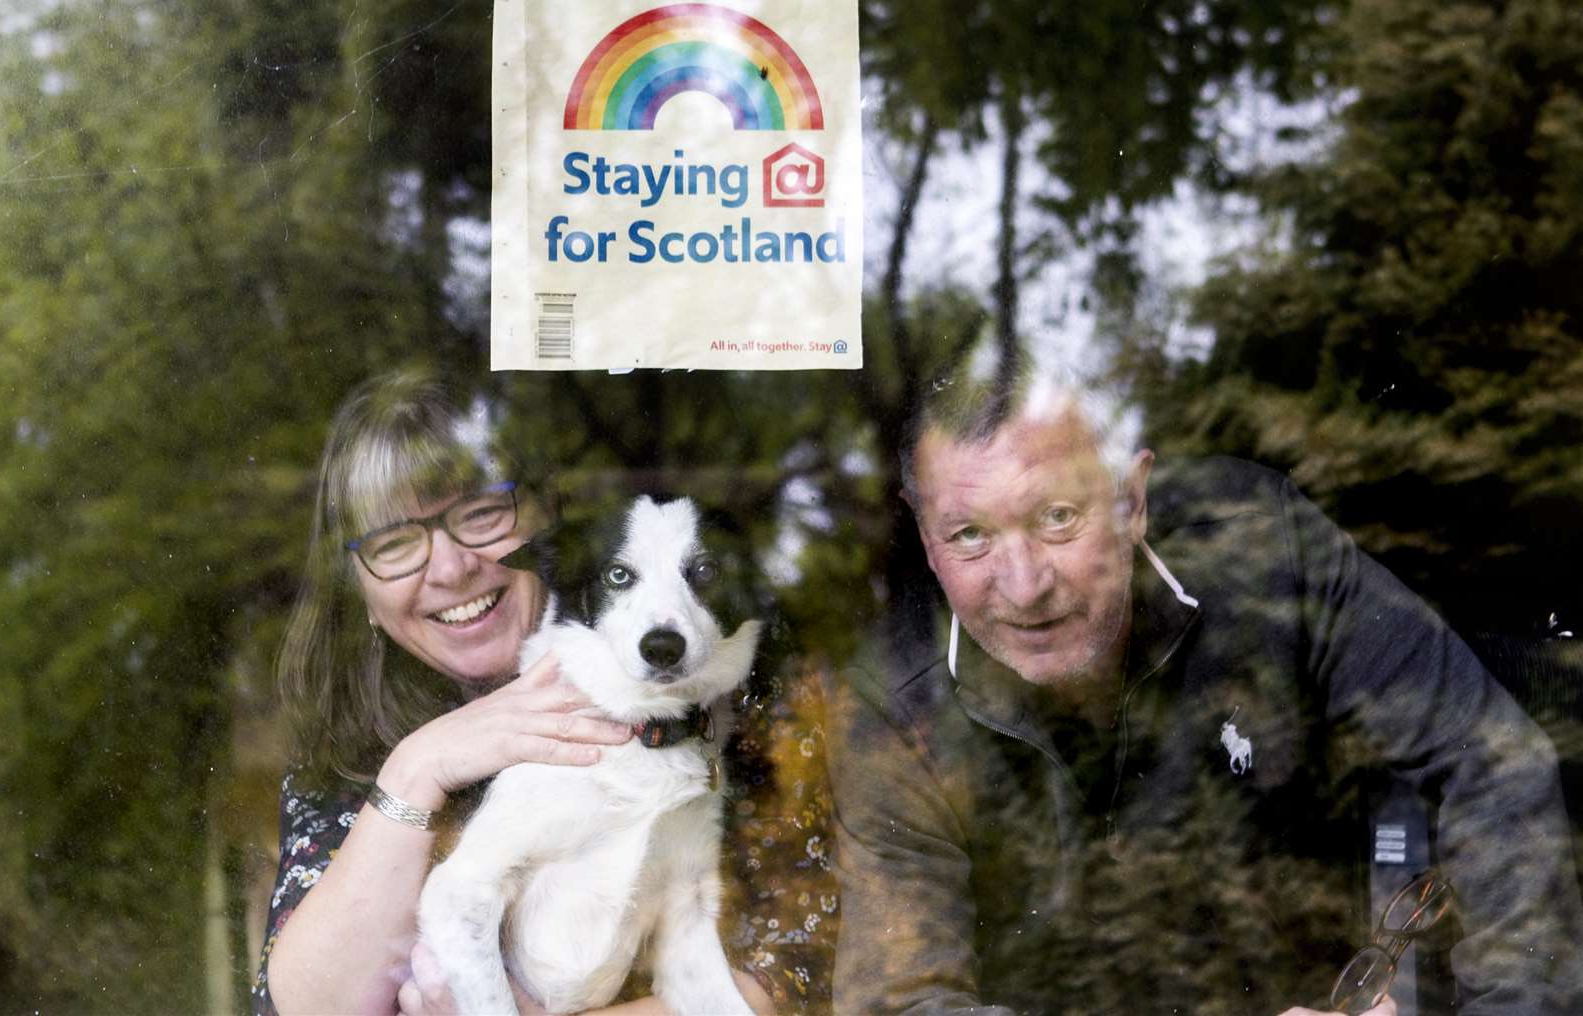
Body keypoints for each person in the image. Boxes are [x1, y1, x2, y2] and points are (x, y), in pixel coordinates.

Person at [826, 362, 1583, 1016]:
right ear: (925, 538)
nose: (1022, 588)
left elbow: (1490, 765)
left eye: (1057, 517)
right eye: (969, 536)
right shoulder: (894, 707)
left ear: (1131, 500)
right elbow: (902, 1004)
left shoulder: (1257, 543)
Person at [252, 369, 835, 1015]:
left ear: (548, 527)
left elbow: (805, 962)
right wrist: (418, 767)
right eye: (394, 544)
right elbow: (307, 1009)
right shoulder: (345, 758)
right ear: (361, 593)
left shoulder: (732, 700)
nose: (449, 568)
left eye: (478, 513)